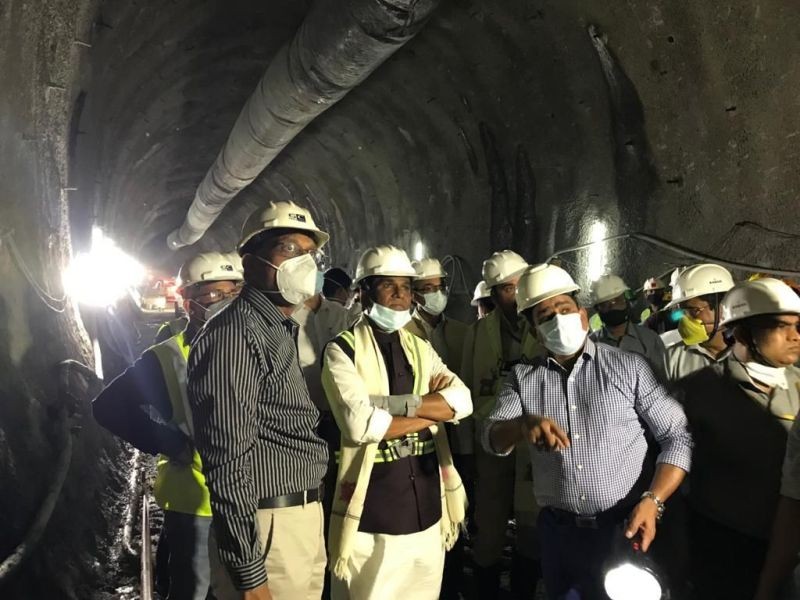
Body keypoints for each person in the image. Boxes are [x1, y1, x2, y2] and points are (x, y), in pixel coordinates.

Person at [484, 263, 693, 600]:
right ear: (535, 331)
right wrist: (522, 426)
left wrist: (653, 502)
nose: (557, 319)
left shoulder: (629, 368)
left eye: (564, 309)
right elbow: (491, 437)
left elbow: (676, 436)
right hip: (559, 535)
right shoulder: (523, 379)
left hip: (624, 527)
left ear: (582, 316)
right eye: (545, 315)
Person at [188, 200, 329, 600]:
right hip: (268, 527)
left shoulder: (277, 328)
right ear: (248, 263)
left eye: (309, 253)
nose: (303, 262)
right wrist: (251, 577)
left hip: (297, 521)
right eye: (288, 249)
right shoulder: (235, 334)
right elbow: (226, 461)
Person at [320, 245, 472, 600]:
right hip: (374, 513)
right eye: (389, 286)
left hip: (428, 509)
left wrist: (392, 408)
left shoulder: (420, 348)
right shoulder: (341, 351)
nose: (401, 296)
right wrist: (431, 412)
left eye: (406, 287)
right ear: (363, 293)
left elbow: (462, 402)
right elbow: (361, 426)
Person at [93, 251, 244, 600]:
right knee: (193, 589)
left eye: (233, 293)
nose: (224, 303)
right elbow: (109, 407)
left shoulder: (254, 345)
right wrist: (170, 441)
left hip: (249, 499)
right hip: (198, 502)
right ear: (188, 303)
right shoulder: (169, 355)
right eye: (212, 295)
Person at [674, 277, 800, 599]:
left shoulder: (799, 385)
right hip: (724, 551)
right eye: (780, 327)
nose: (795, 336)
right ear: (743, 333)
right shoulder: (699, 392)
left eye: (797, 325)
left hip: (790, 551)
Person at [460, 250, 544, 598]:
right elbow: (464, 392)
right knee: (490, 526)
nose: (517, 293)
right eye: (508, 289)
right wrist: (465, 452)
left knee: (530, 525)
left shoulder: (542, 328)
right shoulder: (479, 333)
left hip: (533, 444)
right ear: (493, 294)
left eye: (520, 285)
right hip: (489, 442)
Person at [404, 257, 470, 599]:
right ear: (415, 294)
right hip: (425, 437)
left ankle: (453, 582)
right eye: (426, 289)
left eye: (438, 287)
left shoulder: (462, 331)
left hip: (462, 439)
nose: (435, 294)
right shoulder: (404, 334)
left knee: (459, 512)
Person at [665, 263, 735, 383]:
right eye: (682, 312)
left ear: (723, 307)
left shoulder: (755, 353)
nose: (685, 319)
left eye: (693, 310)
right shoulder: (671, 360)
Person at [589, 274, 668, 381]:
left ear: (626, 301)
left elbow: (662, 380)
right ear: (597, 308)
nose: (613, 306)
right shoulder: (589, 345)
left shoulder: (649, 339)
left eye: (617, 300)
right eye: (606, 304)